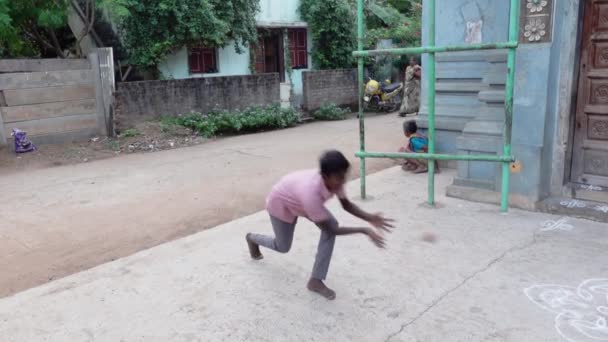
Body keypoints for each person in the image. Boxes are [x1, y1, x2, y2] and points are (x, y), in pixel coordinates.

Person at [245, 150, 394, 300]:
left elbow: (346, 205)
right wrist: (364, 230)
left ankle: (315, 280)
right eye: (338, 178)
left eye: (344, 176)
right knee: (282, 246)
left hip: (299, 200)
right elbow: (332, 230)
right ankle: (252, 238)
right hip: (281, 203)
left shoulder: (336, 179)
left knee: (331, 225)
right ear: (324, 176)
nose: (342, 181)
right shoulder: (310, 193)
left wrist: (370, 217)